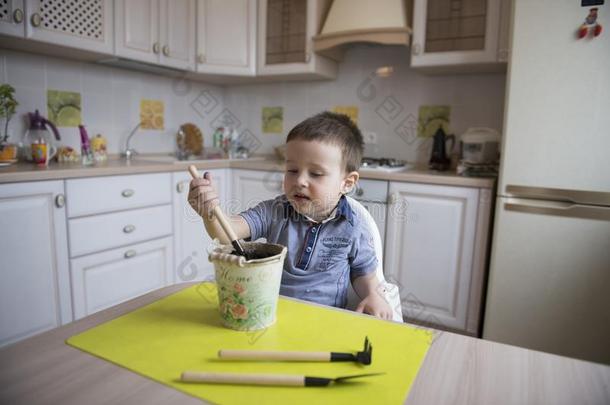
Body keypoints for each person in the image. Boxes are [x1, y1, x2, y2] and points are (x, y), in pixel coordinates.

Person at [189, 111, 393, 319]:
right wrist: (210, 213)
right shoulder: (274, 211)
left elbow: (364, 273)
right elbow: (228, 233)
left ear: (347, 183)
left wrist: (373, 295)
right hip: (271, 313)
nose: (300, 181)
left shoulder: (353, 226)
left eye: (315, 174)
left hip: (326, 319)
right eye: (292, 170)